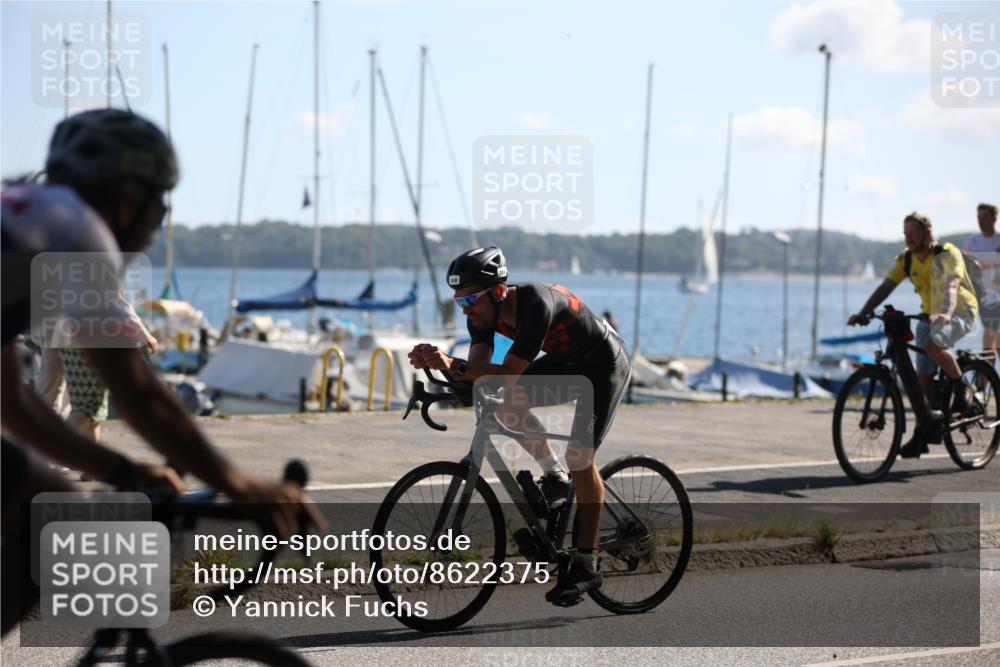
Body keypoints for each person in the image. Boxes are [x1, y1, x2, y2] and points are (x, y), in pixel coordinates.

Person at [1, 109, 320, 635]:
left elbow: (14, 404)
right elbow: (139, 393)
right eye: (161, 203)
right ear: (126, 197)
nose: (158, 223)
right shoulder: (78, 232)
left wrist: (124, 472)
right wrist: (239, 483)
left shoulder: (27, 220)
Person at [408, 247, 631, 606]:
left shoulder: (535, 303)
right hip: (566, 363)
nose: (466, 309)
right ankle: (554, 476)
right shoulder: (478, 317)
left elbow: (509, 371)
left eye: (472, 299)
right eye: (459, 301)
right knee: (507, 400)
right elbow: (478, 374)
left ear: (498, 291)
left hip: (603, 366)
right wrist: (440, 368)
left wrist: (455, 364)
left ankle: (588, 563)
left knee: (580, 460)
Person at [847, 212, 979, 458]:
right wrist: (863, 313)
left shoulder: (947, 255)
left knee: (932, 343)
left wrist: (946, 314)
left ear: (927, 234)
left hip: (960, 312)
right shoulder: (907, 260)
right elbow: (886, 286)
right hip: (929, 315)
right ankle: (921, 437)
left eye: (912, 234)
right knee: (922, 382)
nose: (908, 238)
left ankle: (962, 386)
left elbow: (951, 287)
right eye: (905, 234)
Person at [964, 203, 1000, 358]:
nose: (981, 221)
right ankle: (991, 379)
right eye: (979, 217)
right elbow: (964, 267)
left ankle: (982, 382)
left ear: (994, 219)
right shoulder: (972, 242)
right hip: (982, 297)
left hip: (997, 297)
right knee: (997, 342)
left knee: (989, 338)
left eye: (984, 217)